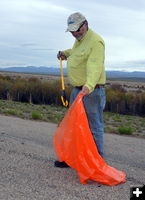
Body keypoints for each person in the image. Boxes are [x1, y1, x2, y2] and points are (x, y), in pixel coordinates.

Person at [54, 12, 106, 168]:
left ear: (86, 24)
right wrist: (65, 53)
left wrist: (88, 86)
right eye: (72, 31)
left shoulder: (96, 41)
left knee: (93, 126)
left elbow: (95, 65)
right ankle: (73, 158)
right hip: (78, 90)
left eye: (77, 29)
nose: (74, 33)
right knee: (74, 124)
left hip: (91, 91)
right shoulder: (80, 40)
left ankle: (96, 162)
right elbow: (75, 52)